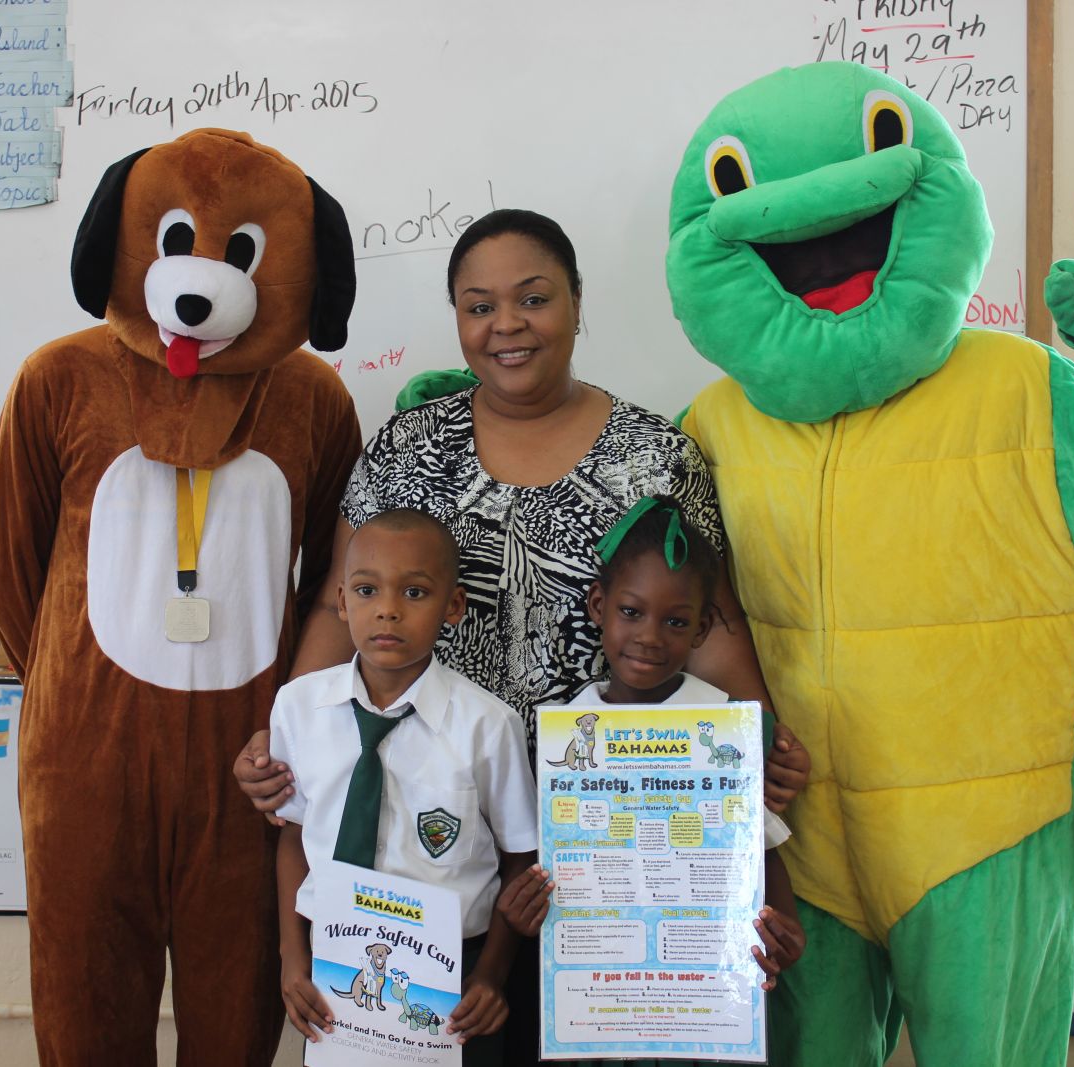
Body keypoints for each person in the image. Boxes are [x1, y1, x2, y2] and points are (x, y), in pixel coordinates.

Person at [239, 208, 810, 1062]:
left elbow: (711, 622)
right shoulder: (406, 448)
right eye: (479, 306)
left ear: (577, 301)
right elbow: (333, 606)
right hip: (439, 853)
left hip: (612, 843)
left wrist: (757, 743)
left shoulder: (656, 456)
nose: (505, 324)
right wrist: (285, 738)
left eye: (533, 298)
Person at [497, 498, 804, 1067]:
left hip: (703, 1013)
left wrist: (783, 931)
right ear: (599, 606)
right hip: (594, 1013)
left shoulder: (722, 726)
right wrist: (519, 914)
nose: (650, 636)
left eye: (676, 621)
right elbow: (547, 862)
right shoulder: (568, 732)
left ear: (702, 628)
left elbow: (756, 849)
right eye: (632, 612)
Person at [269, 509, 537, 1064]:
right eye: (367, 590)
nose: (387, 609)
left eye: (414, 592)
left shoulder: (488, 726)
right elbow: (294, 835)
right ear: (342, 602)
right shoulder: (298, 707)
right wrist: (292, 957)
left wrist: (491, 975)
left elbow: (520, 860)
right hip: (333, 963)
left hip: (454, 978)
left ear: (453, 607)